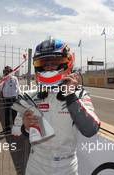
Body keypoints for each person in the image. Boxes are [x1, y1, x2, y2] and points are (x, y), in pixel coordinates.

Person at [13, 38, 100, 175]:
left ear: (67, 62)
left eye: (54, 62)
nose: (49, 67)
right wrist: (25, 126)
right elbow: (22, 132)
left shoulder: (80, 94)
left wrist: (71, 96)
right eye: (44, 63)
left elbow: (90, 130)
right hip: (36, 164)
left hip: (66, 167)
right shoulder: (29, 96)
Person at [0, 66, 19, 133]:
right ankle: (10, 129)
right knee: (9, 114)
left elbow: (17, 88)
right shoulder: (4, 78)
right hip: (9, 98)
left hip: (11, 98)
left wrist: (17, 96)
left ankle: (12, 128)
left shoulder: (12, 78)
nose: (6, 72)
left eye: (7, 71)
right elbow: (0, 88)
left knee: (12, 113)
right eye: (5, 71)